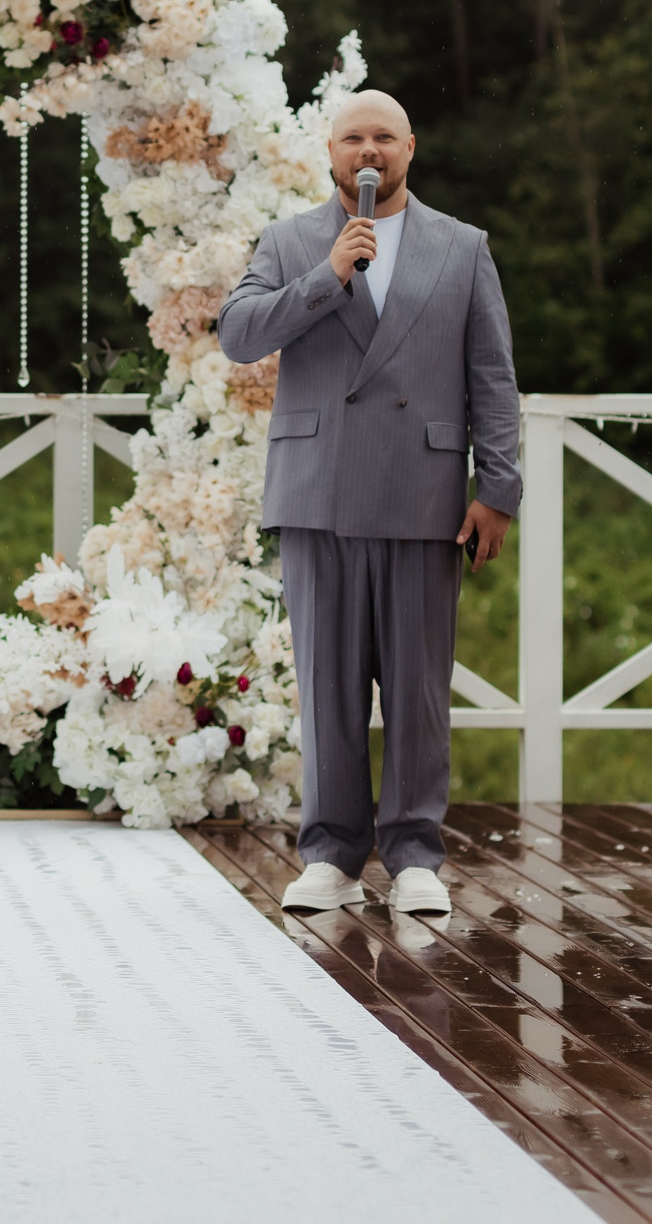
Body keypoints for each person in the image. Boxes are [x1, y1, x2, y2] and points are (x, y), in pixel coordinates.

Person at [216, 88, 521, 919]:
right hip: (318, 489)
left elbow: (492, 379)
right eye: (354, 137)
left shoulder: (462, 247)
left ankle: (417, 850)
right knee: (328, 684)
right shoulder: (290, 242)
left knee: (419, 685)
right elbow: (238, 335)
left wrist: (498, 488)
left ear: (411, 148)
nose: (369, 151)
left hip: (423, 493)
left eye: (384, 136)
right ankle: (332, 851)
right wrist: (326, 275)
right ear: (330, 151)